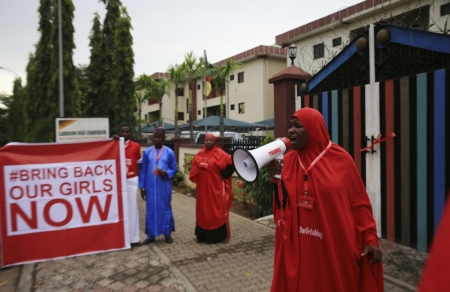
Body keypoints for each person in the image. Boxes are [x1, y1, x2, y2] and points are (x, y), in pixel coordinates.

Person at [266, 107, 384, 292]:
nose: (291, 131)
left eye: (298, 126)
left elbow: (359, 204)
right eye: (290, 126)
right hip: (300, 250)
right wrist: (276, 181)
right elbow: (281, 209)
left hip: (334, 245)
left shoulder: (342, 160)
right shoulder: (287, 161)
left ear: (314, 129)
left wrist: (369, 237)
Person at [189, 133, 234, 244]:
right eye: (206, 140)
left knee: (217, 210)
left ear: (214, 142)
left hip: (216, 189)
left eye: (210, 140)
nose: (208, 142)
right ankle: (202, 236)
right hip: (202, 189)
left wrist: (223, 175)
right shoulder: (200, 154)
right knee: (202, 210)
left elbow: (231, 164)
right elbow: (194, 167)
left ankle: (221, 236)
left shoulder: (220, 154)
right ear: (204, 141)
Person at [139, 127, 177, 244]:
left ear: (163, 138)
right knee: (151, 210)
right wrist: (142, 187)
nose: (156, 139)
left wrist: (166, 172)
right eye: (154, 137)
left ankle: (167, 234)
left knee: (165, 209)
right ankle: (151, 236)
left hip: (164, 186)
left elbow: (174, 169)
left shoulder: (169, 152)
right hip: (150, 187)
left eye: (159, 137)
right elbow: (143, 170)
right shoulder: (148, 152)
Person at [112, 125, 142, 246]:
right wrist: (111, 140)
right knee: (117, 209)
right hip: (117, 181)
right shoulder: (114, 144)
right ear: (119, 132)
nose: (124, 133)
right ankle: (119, 237)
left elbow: (139, 162)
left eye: (127, 131)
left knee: (132, 208)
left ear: (130, 133)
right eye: (122, 131)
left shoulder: (135, 146)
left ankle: (133, 238)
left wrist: (136, 175)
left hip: (131, 179)